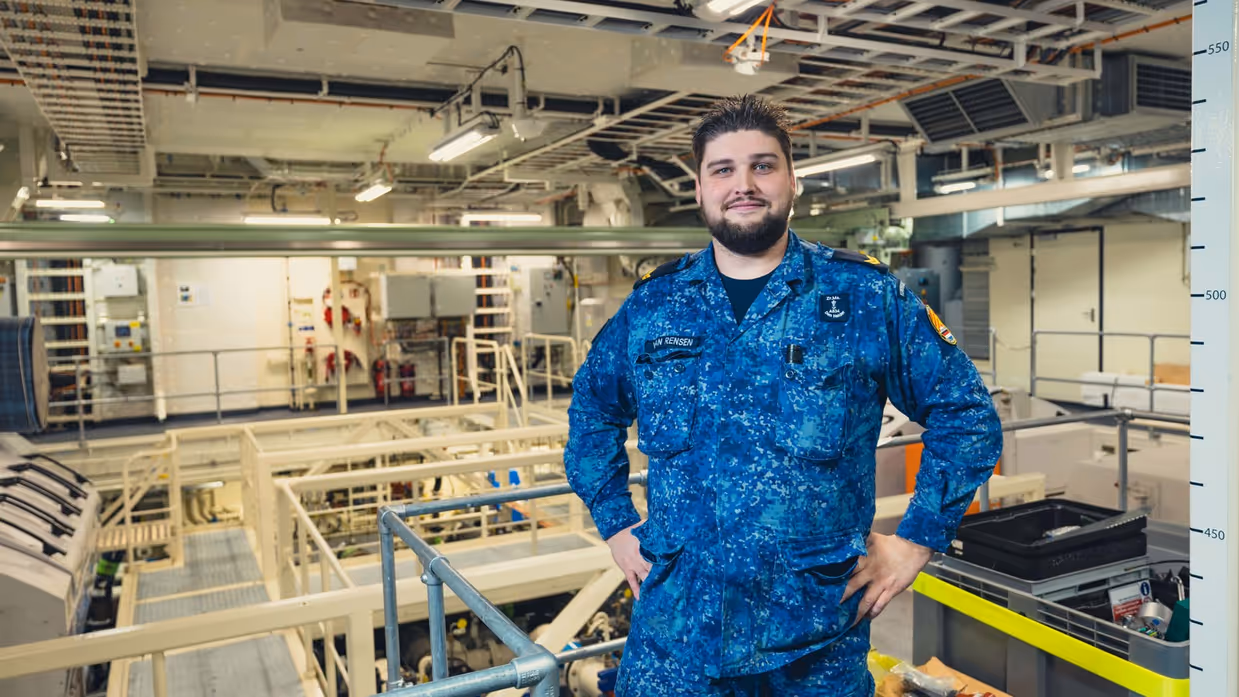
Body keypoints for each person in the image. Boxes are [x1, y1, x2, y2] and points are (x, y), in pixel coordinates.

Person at [564, 94, 1003, 696]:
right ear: (699, 188)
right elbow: (592, 411)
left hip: (814, 646)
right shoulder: (655, 305)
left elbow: (968, 417)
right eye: (723, 169)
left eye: (762, 166)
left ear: (793, 180)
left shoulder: (865, 298)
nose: (743, 184)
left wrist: (916, 542)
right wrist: (616, 525)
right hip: (676, 644)